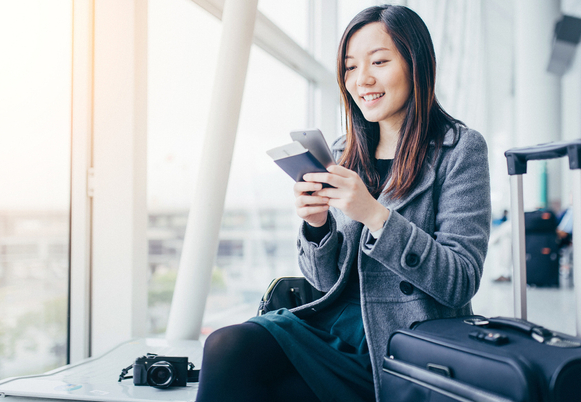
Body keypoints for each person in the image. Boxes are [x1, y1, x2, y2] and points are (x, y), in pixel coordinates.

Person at [195, 5, 491, 402]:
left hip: (403, 342)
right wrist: (317, 226)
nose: (362, 79)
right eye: (350, 67)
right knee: (227, 345)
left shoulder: (460, 149)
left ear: (417, 64)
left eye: (380, 61)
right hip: (334, 326)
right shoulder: (344, 151)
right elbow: (322, 283)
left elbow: (460, 281)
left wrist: (375, 216)